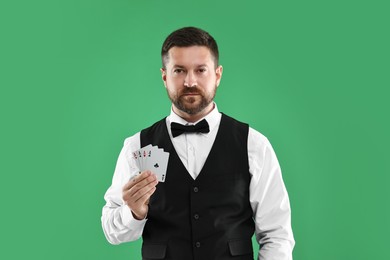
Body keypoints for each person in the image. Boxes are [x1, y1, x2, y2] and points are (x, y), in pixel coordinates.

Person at [101, 26, 295, 260]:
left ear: (218, 75)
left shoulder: (253, 144)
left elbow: (277, 235)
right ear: (165, 76)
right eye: (179, 70)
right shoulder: (137, 146)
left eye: (201, 70)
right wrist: (134, 212)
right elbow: (112, 232)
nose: (190, 81)